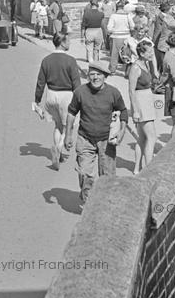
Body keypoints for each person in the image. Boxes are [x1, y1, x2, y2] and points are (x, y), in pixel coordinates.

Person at [64, 62, 128, 204]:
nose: (95, 77)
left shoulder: (113, 93)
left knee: (107, 177)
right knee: (85, 173)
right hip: (85, 138)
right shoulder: (80, 92)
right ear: (88, 76)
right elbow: (71, 113)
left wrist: (122, 131)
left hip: (107, 140)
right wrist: (68, 135)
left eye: (99, 74)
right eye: (92, 74)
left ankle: (105, 205)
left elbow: (123, 111)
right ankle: (89, 204)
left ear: (105, 76)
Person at [34, 34, 82, 170]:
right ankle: (59, 149)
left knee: (57, 125)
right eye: (68, 41)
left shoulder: (46, 60)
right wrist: (81, 100)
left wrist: (37, 99)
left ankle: (57, 150)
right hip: (66, 96)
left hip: (51, 95)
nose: (70, 43)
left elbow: (40, 82)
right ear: (62, 42)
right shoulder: (71, 61)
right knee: (69, 126)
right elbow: (76, 83)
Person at [128, 41, 160, 174]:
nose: (152, 54)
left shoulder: (145, 64)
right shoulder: (135, 68)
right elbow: (131, 90)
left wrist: (153, 63)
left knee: (142, 138)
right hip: (141, 103)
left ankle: (137, 168)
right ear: (141, 53)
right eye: (149, 52)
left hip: (146, 99)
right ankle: (149, 168)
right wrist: (135, 110)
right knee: (152, 137)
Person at [153, 2, 175, 72]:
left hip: (165, 46)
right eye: (172, 9)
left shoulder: (168, 17)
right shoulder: (168, 20)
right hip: (165, 47)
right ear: (169, 10)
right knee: (165, 69)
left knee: (164, 68)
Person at [106, 1, 135, 75]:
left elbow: (109, 28)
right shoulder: (127, 15)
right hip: (126, 37)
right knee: (127, 54)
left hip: (116, 37)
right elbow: (132, 26)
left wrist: (113, 31)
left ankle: (112, 70)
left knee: (114, 54)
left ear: (116, 7)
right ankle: (127, 71)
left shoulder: (113, 16)